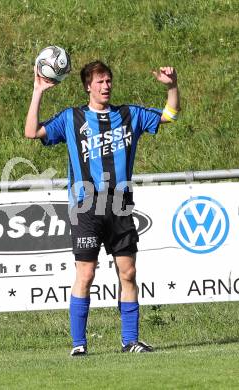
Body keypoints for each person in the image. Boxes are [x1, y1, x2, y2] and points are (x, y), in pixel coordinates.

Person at [25, 60, 180, 356]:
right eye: (99, 82)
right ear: (87, 86)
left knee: (129, 272)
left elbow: (170, 114)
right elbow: (32, 132)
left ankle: (130, 341)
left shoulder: (129, 114)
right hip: (85, 206)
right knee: (86, 273)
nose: (105, 86)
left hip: (120, 205)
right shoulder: (72, 118)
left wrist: (172, 86)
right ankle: (79, 344)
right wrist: (38, 91)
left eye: (108, 80)